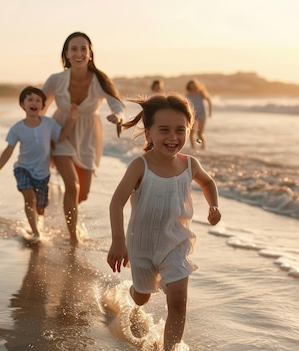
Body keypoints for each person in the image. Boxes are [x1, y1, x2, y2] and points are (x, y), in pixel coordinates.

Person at [106, 93, 222, 351]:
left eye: (180, 130)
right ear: (148, 133)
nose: (173, 137)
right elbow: (116, 203)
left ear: (189, 129)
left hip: (177, 243)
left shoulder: (190, 164)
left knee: (179, 301)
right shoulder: (140, 166)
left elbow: (208, 182)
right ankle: (133, 295)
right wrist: (118, 242)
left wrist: (213, 205)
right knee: (142, 298)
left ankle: (169, 348)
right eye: (164, 130)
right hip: (142, 246)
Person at [42, 31, 125, 243]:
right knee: (72, 185)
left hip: (88, 137)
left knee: (83, 193)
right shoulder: (56, 80)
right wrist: (36, 136)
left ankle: (66, 212)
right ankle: (73, 237)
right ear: (67, 54)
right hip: (61, 134)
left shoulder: (100, 80)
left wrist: (118, 116)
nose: (79, 53)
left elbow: (117, 104)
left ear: (90, 54)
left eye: (83, 49)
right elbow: (40, 109)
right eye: (74, 49)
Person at [0, 86, 77, 240]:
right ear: (22, 104)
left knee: (41, 207)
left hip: (42, 173)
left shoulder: (48, 124)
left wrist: (72, 119)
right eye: (30, 99)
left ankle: (36, 224)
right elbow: (8, 150)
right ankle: (36, 233)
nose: (34, 102)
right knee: (29, 198)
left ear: (43, 106)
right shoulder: (17, 128)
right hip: (23, 169)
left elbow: (62, 137)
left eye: (38, 100)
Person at [185, 79, 212, 150]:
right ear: (188, 87)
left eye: (193, 86)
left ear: (196, 86)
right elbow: (185, 105)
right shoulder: (187, 94)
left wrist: (210, 112)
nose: (192, 87)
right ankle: (193, 147)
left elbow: (209, 101)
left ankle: (203, 146)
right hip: (192, 115)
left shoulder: (200, 93)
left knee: (199, 133)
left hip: (202, 114)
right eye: (191, 86)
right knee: (191, 132)